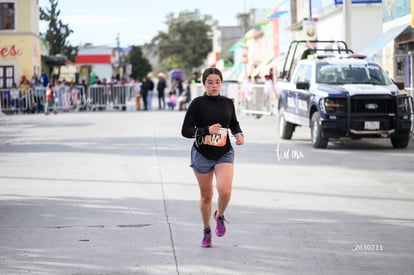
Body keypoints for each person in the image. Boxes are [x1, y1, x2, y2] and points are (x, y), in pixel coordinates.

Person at [181, 67, 244, 248]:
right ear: (204, 84)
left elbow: (234, 124)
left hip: (224, 151)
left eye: (217, 82)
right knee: (206, 196)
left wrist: (238, 134)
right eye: (210, 82)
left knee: (225, 191)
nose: (214, 85)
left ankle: (220, 216)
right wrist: (205, 130)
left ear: (221, 83)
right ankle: (207, 230)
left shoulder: (227, 103)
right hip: (201, 153)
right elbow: (185, 131)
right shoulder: (197, 104)